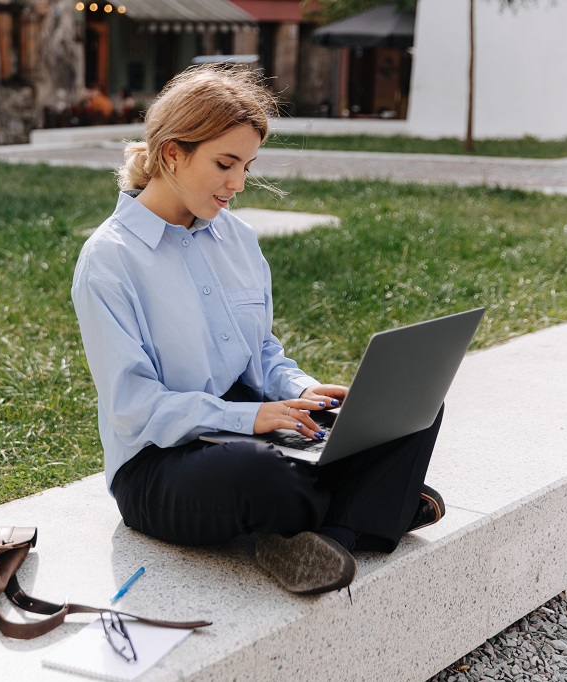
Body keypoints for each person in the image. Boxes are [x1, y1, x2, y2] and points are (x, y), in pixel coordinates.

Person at [70, 65, 445, 595]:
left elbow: (263, 354)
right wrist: (249, 419)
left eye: (246, 165)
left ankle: (326, 531)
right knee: (259, 473)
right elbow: (135, 407)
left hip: (255, 426)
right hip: (160, 465)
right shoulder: (109, 261)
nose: (238, 183)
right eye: (225, 163)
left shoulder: (238, 239)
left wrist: (300, 391)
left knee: (413, 398)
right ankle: (374, 507)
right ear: (172, 153)